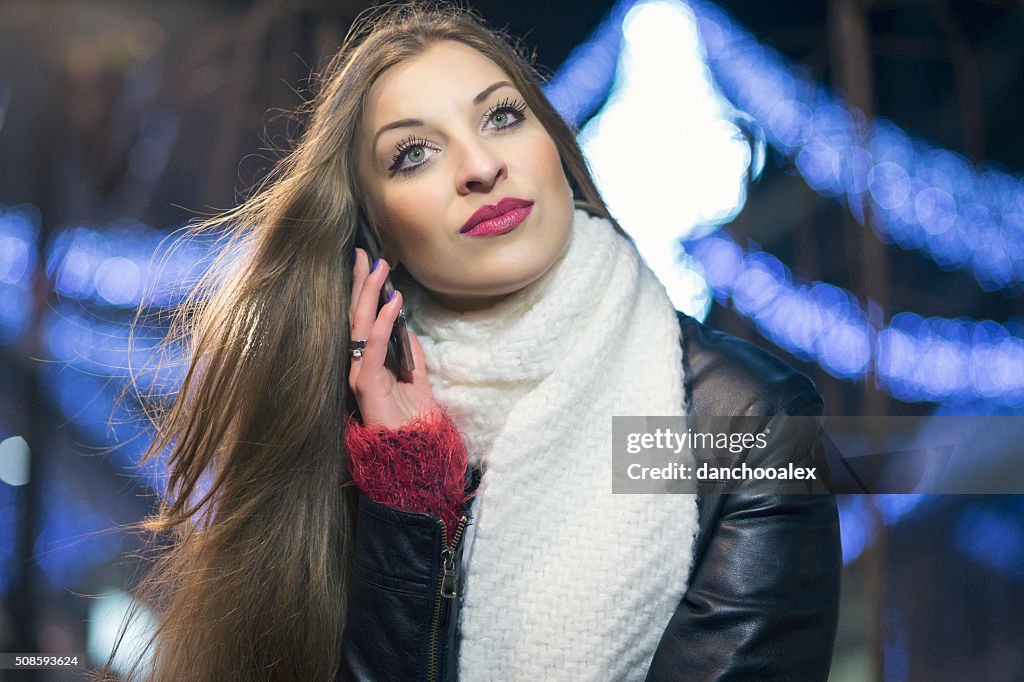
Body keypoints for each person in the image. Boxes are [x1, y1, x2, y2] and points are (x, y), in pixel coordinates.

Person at [97, 3, 841, 681]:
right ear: (374, 228)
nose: (482, 167)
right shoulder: (346, 440)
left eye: (504, 117)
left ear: (554, 142)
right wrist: (408, 500)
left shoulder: (751, 420)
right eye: (414, 154)